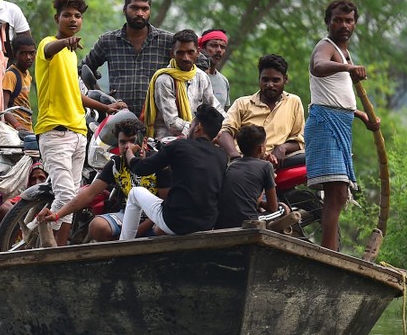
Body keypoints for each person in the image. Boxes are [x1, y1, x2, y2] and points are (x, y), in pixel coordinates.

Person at [34, 0, 126, 246]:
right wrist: (66, 42)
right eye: (67, 15)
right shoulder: (49, 45)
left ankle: (59, 248)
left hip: (77, 133)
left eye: (77, 16)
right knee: (64, 195)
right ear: (57, 18)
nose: (73, 19)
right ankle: (43, 236)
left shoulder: (72, 56)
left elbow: (78, 95)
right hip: (55, 131)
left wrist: (107, 108)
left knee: (73, 197)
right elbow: (51, 48)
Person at [306, 0, 380, 250]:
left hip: (341, 123)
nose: (344, 25)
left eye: (349, 20)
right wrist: (348, 67)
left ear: (355, 24)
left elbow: (339, 98)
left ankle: (330, 249)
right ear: (328, 22)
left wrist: (362, 116)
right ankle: (329, 252)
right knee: (336, 191)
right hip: (325, 124)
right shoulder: (325, 47)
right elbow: (318, 66)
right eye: (338, 20)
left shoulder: (344, 52)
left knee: (338, 194)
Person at [37, 118, 171, 241]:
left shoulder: (157, 163)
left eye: (132, 141)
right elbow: (89, 194)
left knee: (164, 228)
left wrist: (136, 232)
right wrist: (57, 215)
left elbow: (166, 205)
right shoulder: (116, 164)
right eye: (123, 142)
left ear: (144, 142)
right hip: (127, 215)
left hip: (156, 217)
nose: (127, 147)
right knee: (97, 226)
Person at [119, 103, 227, 239]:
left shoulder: (179, 146)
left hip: (175, 222)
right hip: (206, 223)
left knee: (135, 193)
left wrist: (129, 153)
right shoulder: (222, 156)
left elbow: (141, 168)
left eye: (191, 125)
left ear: (198, 127)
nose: (189, 129)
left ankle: (124, 245)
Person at [82, 0, 175, 115]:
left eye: (145, 9)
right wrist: (101, 97)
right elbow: (83, 70)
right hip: (118, 117)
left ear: (150, 11)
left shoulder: (167, 41)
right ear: (125, 9)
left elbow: (198, 62)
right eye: (134, 8)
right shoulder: (108, 41)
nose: (140, 13)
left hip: (158, 117)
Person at [216, 54, 305, 167]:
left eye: (276, 80)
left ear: (285, 79)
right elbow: (224, 132)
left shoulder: (294, 102)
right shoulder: (242, 103)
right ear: (259, 79)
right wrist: (236, 158)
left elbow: (299, 140)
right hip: (244, 162)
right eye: (265, 80)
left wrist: (282, 148)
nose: (270, 85)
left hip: (278, 163)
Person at [143, 29, 225, 139]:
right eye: (180, 53)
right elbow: (172, 122)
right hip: (168, 140)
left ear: (197, 52)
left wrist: (229, 124)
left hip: (198, 135)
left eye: (190, 52)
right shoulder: (164, 80)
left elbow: (214, 107)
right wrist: (199, 128)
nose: (186, 58)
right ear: (172, 54)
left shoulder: (201, 77)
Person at [216, 125, 277, 229]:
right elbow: (272, 207)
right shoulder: (266, 166)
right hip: (247, 222)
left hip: (222, 223)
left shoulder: (231, 165)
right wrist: (261, 203)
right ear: (261, 148)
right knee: (283, 209)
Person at [2, 34, 37, 132]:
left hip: (27, 127)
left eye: (32, 53)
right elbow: (3, 108)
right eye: (23, 53)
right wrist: (17, 125)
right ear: (14, 54)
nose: (28, 57)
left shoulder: (27, 74)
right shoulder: (11, 75)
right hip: (14, 130)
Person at [199, 29, 230, 109]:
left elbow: (225, 110)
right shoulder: (192, 77)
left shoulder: (224, 81)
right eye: (214, 45)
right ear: (203, 49)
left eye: (222, 47)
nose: (219, 50)